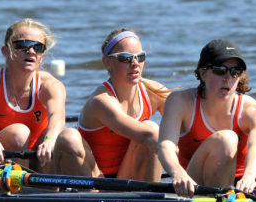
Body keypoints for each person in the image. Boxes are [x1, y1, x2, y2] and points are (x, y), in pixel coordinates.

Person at [158, 39, 256, 198]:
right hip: (192, 186)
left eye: (235, 71)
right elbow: (165, 145)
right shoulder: (180, 102)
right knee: (226, 139)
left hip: (244, 185)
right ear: (202, 73)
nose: (228, 78)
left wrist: (249, 176)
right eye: (220, 70)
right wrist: (177, 171)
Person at [53, 28, 169, 180]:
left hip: (127, 178)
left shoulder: (154, 92)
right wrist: (177, 169)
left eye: (140, 57)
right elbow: (149, 136)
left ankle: (148, 196)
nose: (135, 63)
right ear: (107, 62)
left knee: (152, 127)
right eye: (125, 58)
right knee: (68, 136)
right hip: (95, 180)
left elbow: (187, 120)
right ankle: (90, 199)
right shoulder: (101, 100)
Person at [0, 18, 66, 171]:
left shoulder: (51, 86)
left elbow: (58, 118)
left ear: (42, 56)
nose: (31, 51)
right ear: (6, 51)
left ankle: (49, 191)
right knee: (19, 133)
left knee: (61, 137)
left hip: (38, 159)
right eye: (22, 45)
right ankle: (22, 190)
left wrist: (51, 140)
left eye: (38, 47)